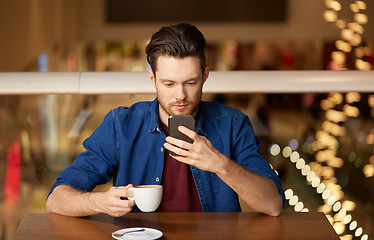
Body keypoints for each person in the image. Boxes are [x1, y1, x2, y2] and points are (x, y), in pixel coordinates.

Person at [46, 23, 285, 217]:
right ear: (152, 79)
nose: (180, 95)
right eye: (169, 84)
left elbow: (273, 204)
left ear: (205, 76)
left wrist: (221, 165)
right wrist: (100, 202)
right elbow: (56, 200)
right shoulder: (122, 125)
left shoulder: (232, 124)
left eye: (190, 83)